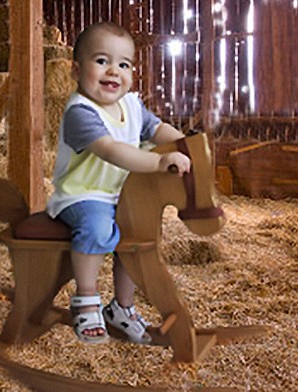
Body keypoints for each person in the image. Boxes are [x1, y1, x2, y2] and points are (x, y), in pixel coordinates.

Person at [46, 21, 191, 344]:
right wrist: (158, 161)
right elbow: (111, 150)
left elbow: (157, 129)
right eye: (101, 61)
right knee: (97, 229)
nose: (114, 71)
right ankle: (86, 300)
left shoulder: (131, 105)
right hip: (82, 196)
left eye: (123, 64)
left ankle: (122, 308)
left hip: (119, 195)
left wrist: (184, 144)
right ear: (75, 70)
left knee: (136, 237)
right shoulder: (80, 111)